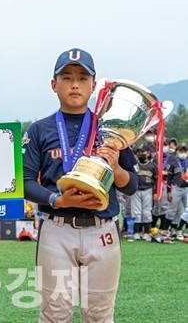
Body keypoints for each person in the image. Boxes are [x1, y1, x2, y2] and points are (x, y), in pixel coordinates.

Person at [23, 48, 138, 323]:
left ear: (94, 85)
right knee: (54, 314)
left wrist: (117, 168)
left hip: (102, 231)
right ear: (54, 84)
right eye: (66, 77)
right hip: (56, 230)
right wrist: (57, 201)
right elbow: (25, 182)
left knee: (99, 315)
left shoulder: (110, 128)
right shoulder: (40, 129)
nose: (74, 84)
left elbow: (131, 185)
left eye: (82, 78)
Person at [130, 147, 157, 240]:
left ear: (148, 153)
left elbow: (157, 180)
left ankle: (146, 232)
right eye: (139, 152)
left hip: (148, 189)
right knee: (136, 212)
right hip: (136, 190)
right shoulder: (134, 165)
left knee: (146, 212)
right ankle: (137, 232)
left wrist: (156, 192)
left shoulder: (152, 165)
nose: (141, 154)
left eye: (143, 152)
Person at [165, 144, 188, 238]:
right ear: (177, 151)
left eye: (184, 151)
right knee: (173, 209)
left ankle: (182, 230)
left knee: (185, 210)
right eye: (181, 151)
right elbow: (169, 178)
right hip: (176, 187)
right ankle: (166, 229)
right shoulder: (173, 162)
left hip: (187, 188)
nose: (182, 153)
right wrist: (168, 191)